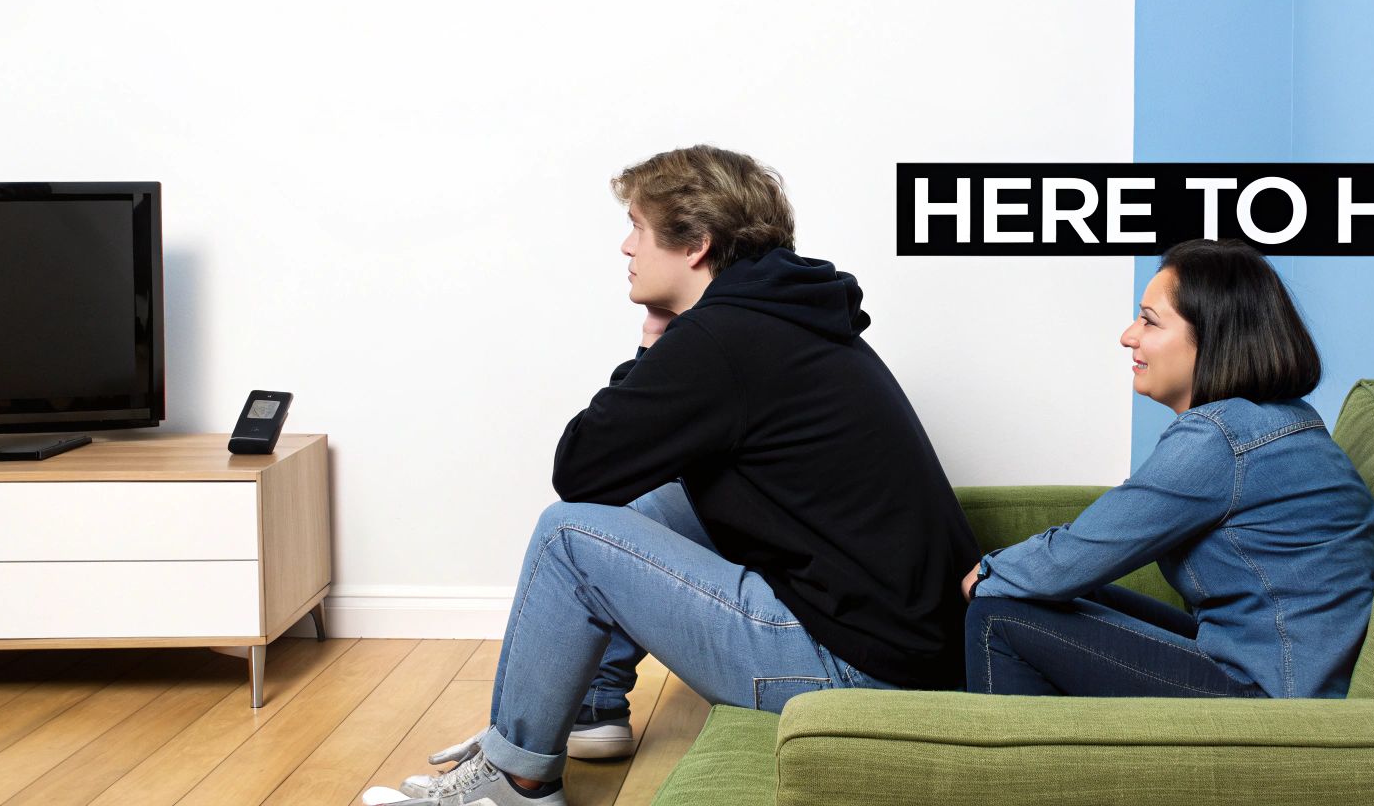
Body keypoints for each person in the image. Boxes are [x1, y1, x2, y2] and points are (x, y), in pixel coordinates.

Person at [366, 145, 978, 806]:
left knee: (568, 537)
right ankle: (593, 707)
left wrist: (654, 343)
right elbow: (624, 479)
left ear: (696, 246)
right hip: (909, 652)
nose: (626, 247)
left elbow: (580, 472)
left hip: (852, 674)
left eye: (637, 226)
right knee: (662, 500)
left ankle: (517, 780)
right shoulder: (789, 316)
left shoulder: (721, 342)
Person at [961, 238, 1374, 701]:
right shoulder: (1282, 421)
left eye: (1149, 320)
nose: (1129, 335)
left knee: (998, 612)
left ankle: (1023, 771)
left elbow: (1080, 553)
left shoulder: (1222, 438)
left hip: (1269, 698)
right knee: (1056, 596)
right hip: (1274, 669)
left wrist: (987, 574)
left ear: (1213, 337)